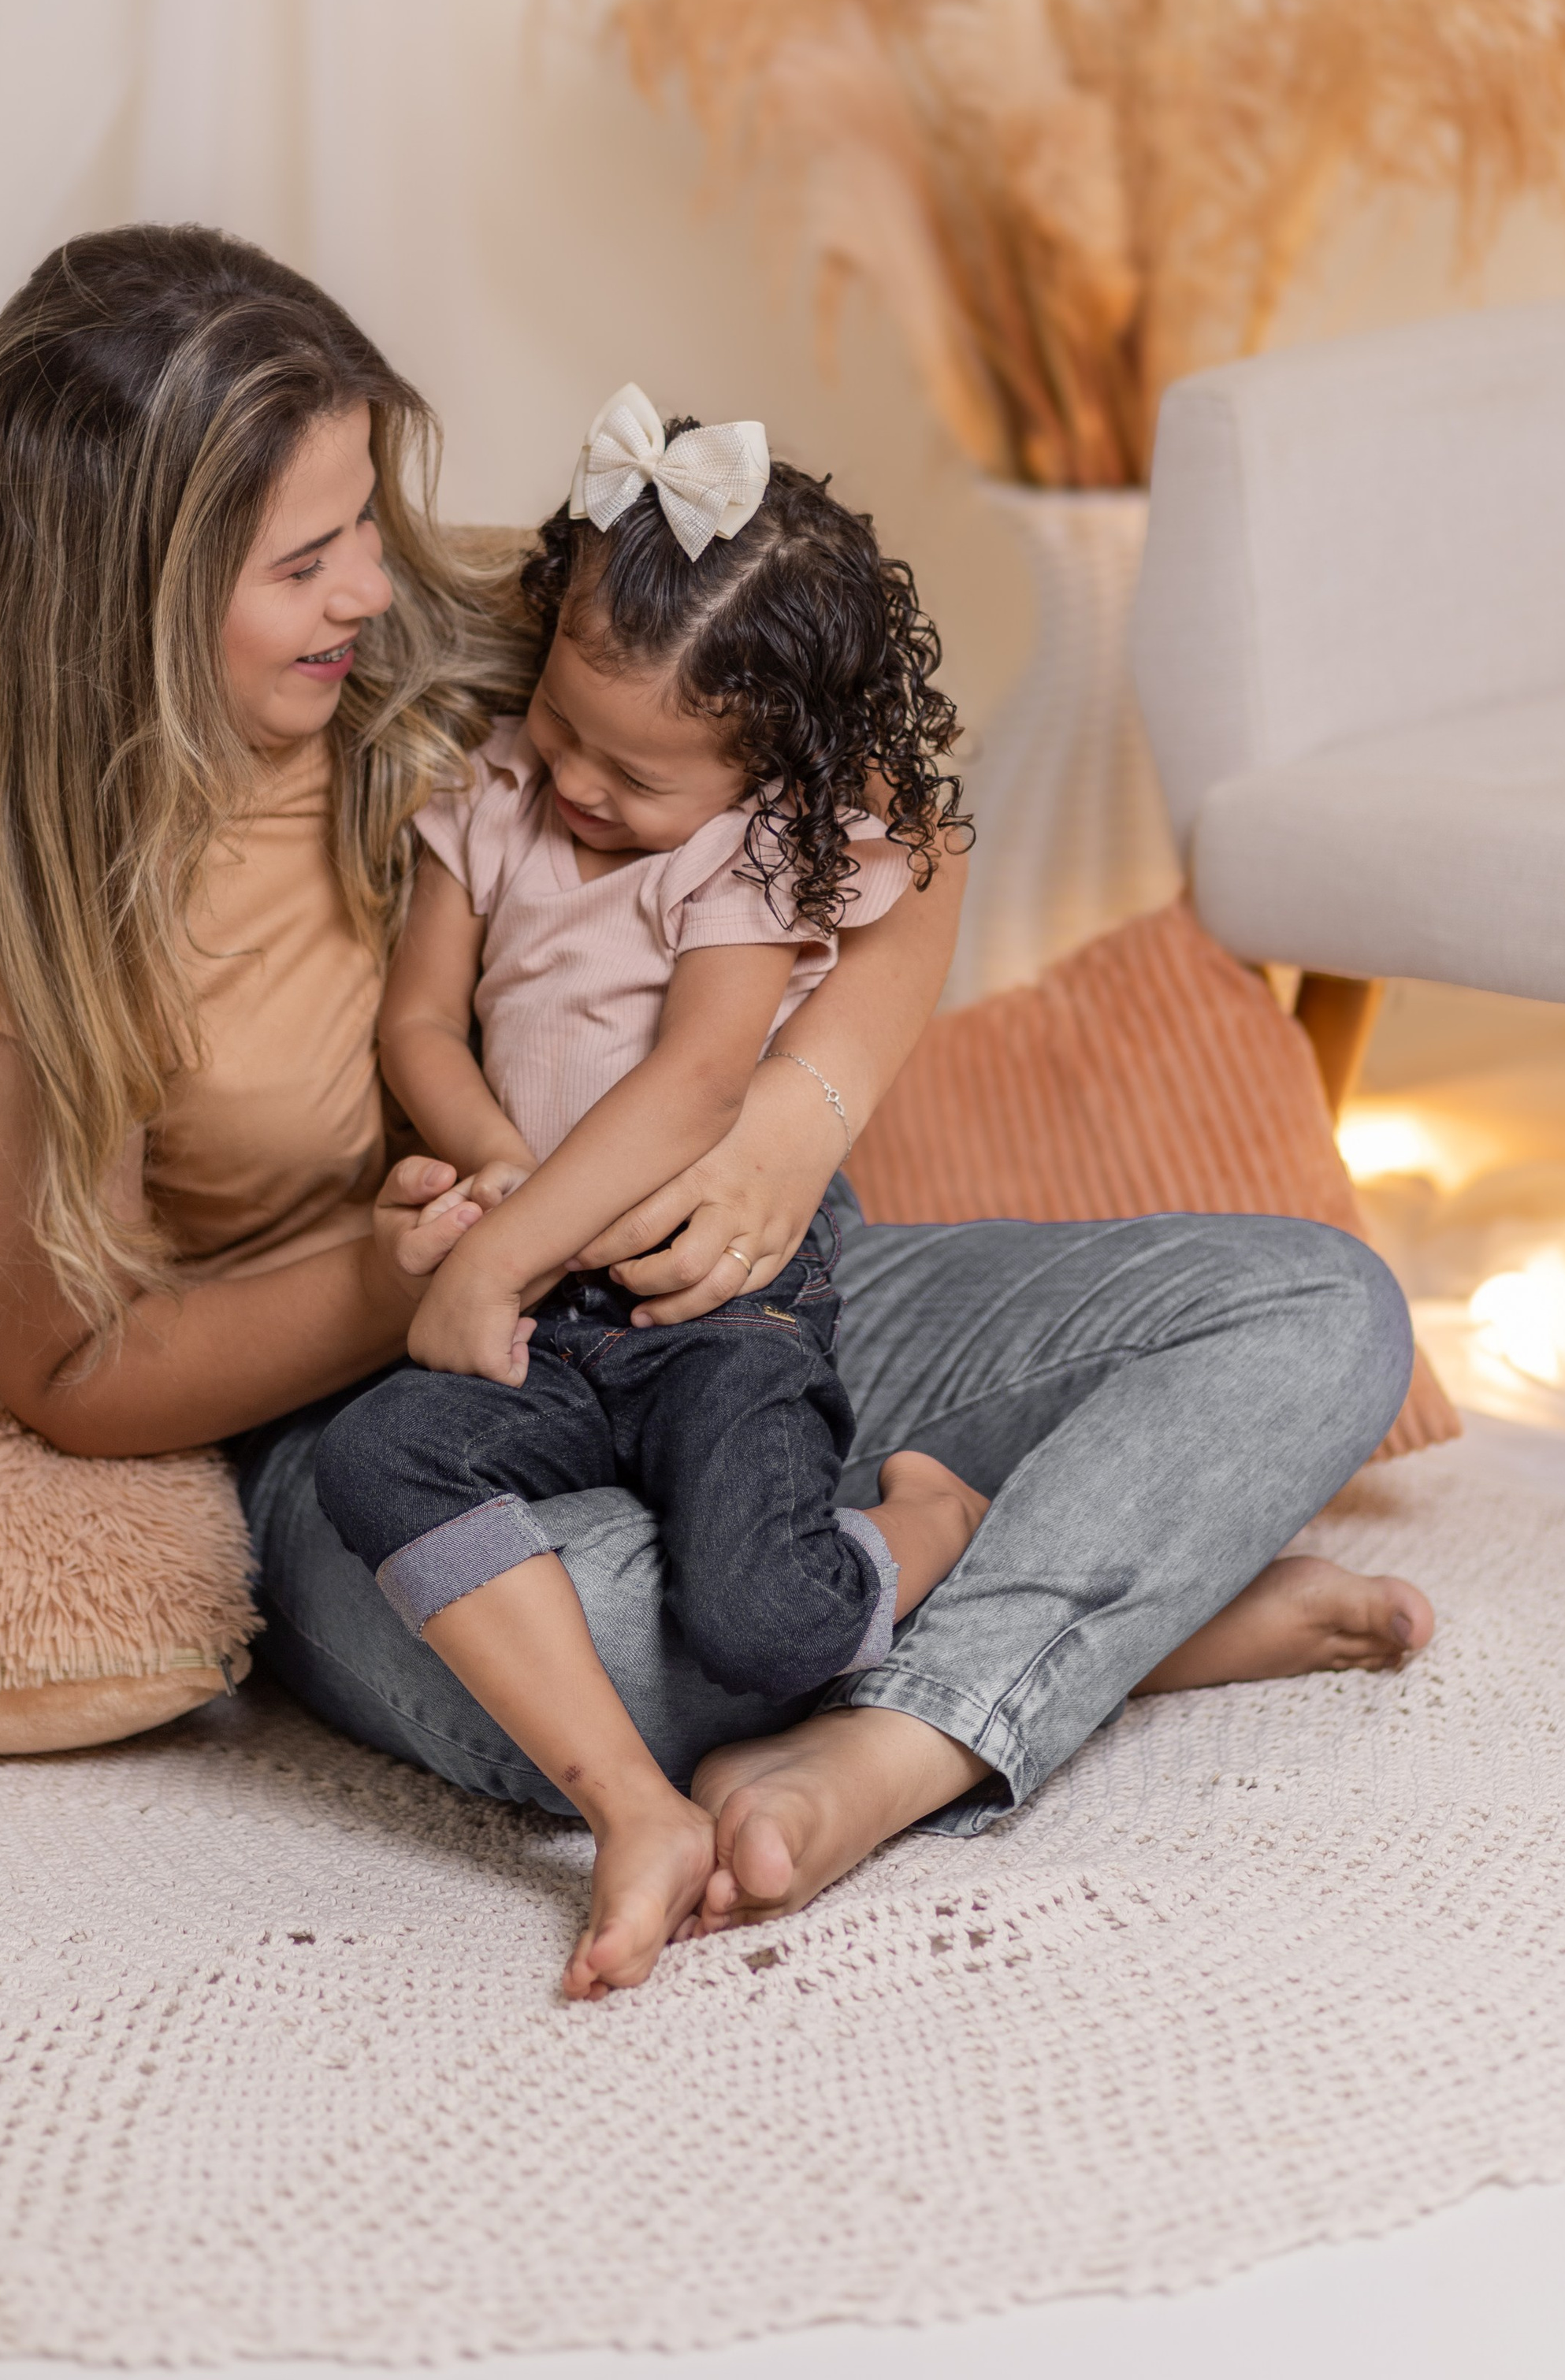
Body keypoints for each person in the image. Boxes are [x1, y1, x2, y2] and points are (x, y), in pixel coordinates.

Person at [0, 223, 1432, 2000]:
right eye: (305, 560)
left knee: (1315, 1308)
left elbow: (910, 847)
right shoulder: (16, 928)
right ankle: (1079, 1605)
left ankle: (894, 1731)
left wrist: (787, 1125)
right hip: (403, 1408)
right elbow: (64, 1373)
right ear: (112, 596)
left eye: (366, 512)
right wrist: (406, 1284)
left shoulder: (496, 646)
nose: (368, 584)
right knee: (583, 1647)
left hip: (725, 1280)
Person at [315, 384, 993, 1993]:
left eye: (635, 774)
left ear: (762, 776)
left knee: (759, 1622)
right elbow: (417, 1018)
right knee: (375, 1456)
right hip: (552, 1300)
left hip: (710, 1302)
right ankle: (631, 1799)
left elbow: (697, 1080)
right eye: (561, 730)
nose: (580, 789)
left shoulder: (744, 856)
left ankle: (928, 1525)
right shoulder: (483, 800)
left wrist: (489, 1268)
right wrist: (494, 1172)